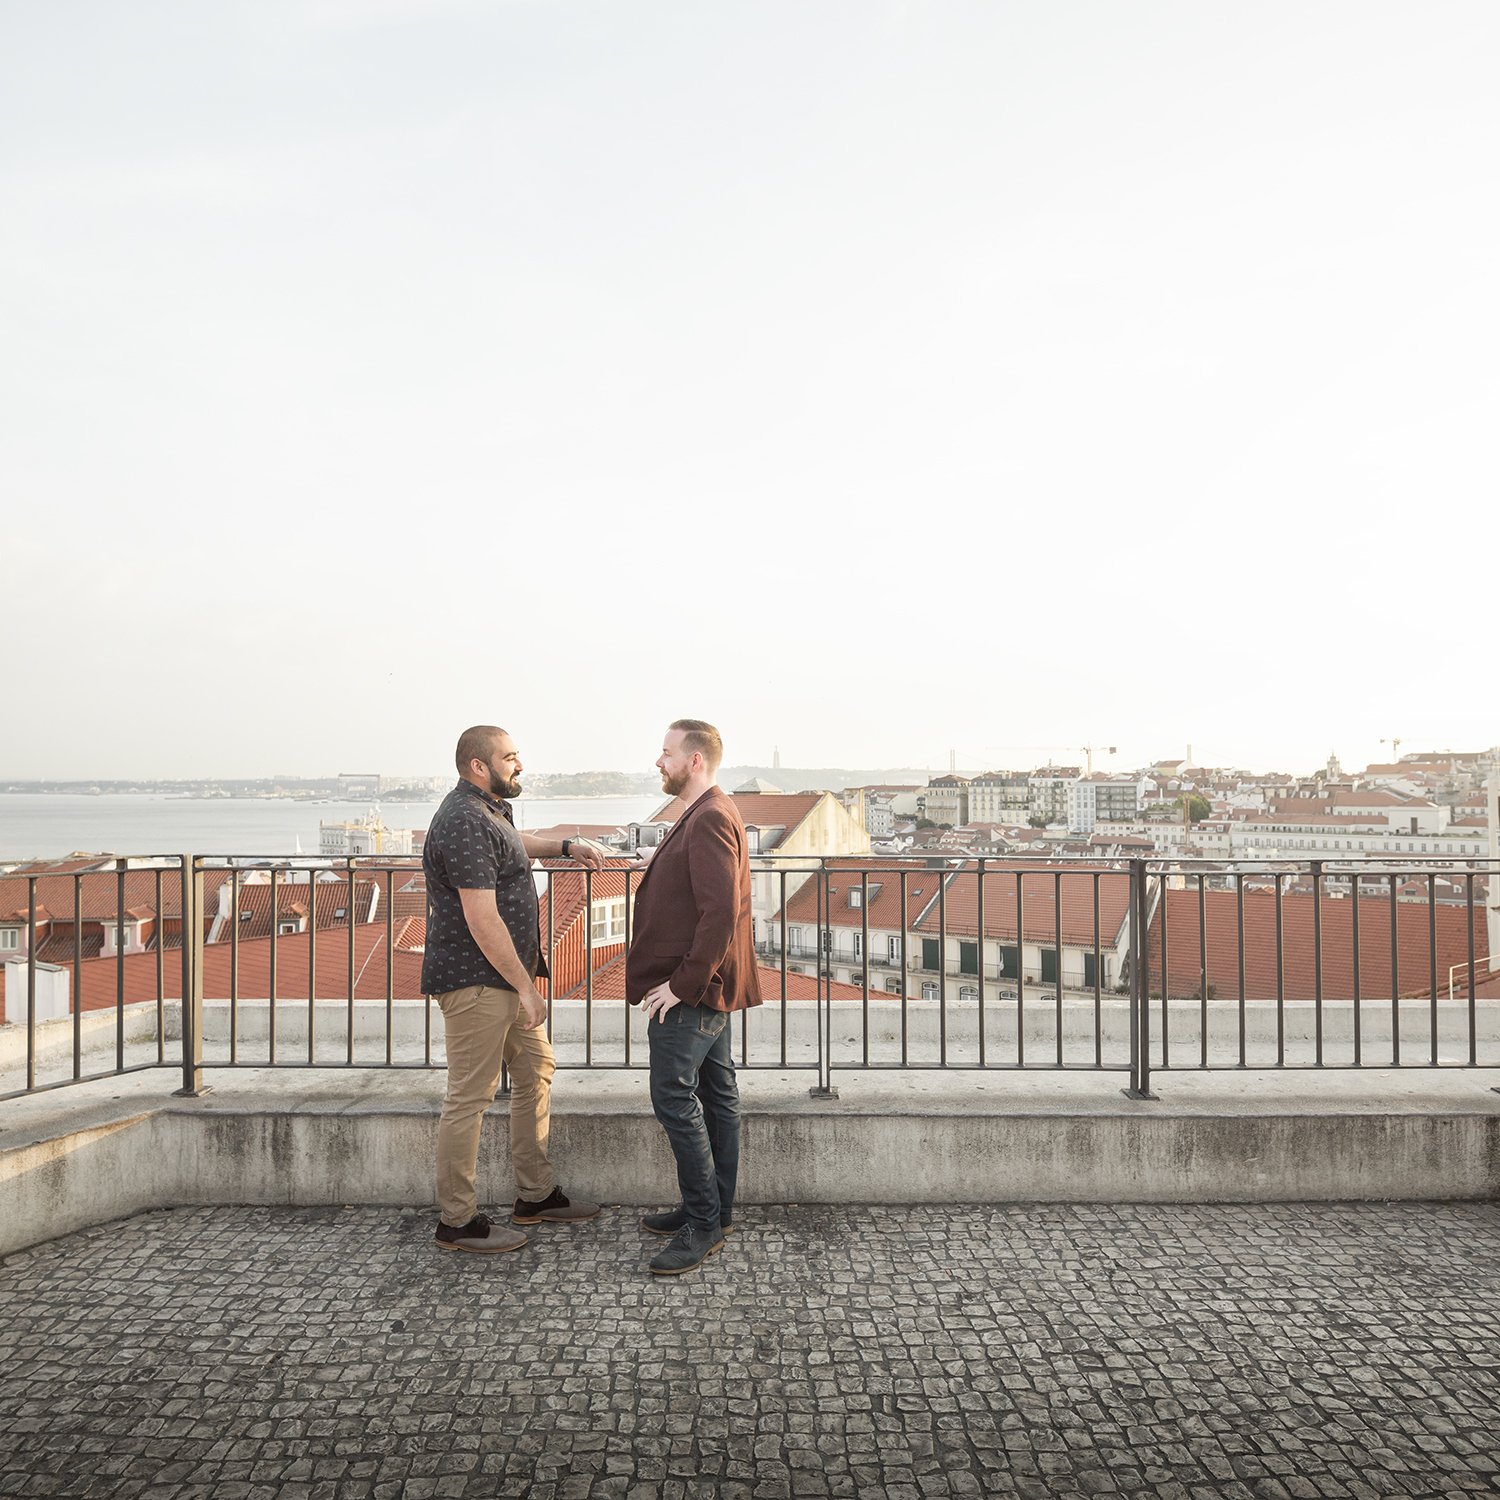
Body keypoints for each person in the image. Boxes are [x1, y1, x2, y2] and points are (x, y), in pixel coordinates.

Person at [423, 724, 606, 1253]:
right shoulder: (462, 820)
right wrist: (527, 988)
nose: (519, 765)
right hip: (478, 983)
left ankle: (536, 1195)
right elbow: (482, 918)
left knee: (535, 1072)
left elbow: (510, 844)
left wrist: (563, 846)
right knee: (469, 1098)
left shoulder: (485, 813)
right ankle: (457, 1221)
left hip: (501, 982)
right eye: (510, 757)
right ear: (478, 765)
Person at [627, 718, 762, 1275]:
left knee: (674, 1100)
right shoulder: (709, 812)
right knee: (717, 1093)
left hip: (695, 989)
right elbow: (703, 891)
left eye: (666, 753)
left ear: (695, 760)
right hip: (712, 984)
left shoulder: (707, 817)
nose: (659, 762)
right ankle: (714, 1210)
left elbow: (718, 913)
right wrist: (656, 870)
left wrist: (681, 986)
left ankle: (703, 1224)